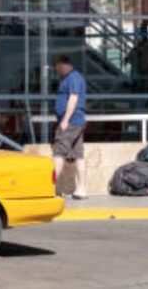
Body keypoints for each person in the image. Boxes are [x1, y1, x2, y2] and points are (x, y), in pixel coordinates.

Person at [52, 55, 88, 200]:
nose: (57, 71)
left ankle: (49, 188)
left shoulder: (73, 78)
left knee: (59, 153)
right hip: (76, 122)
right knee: (78, 156)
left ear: (63, 64)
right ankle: (82, 189)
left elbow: (73, 99)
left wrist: (65, 120)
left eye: (57, 67)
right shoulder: (72, 78)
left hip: (71, 122)